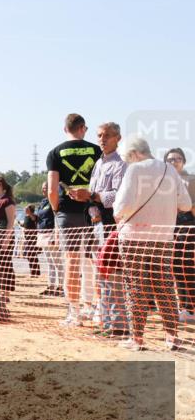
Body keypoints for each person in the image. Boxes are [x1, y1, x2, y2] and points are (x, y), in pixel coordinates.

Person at [114, 137, 192, 350]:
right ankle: (172, 336)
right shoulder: (170, 170)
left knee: (135, 287)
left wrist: (118, 214)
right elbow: (186, 205)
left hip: (134, 237)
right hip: (164, 238)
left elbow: (122, 206)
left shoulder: (135, 170)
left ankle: (137, 339)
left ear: (134, 154)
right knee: (165, 286)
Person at [47, 113, 102, 327]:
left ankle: (74, 313)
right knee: (94, 259)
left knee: (71, 261)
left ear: (65, 129)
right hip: (91, 208)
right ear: (83, 128)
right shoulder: (95, 150)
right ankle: (96, 308)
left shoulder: (55, 152)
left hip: (67, 212)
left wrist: (55, 209)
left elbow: (52, 189)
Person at [87, 122, 128, 336]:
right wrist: (89, 202)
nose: (102, 139)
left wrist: (93, 196)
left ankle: (120, 325)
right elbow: (94, 192)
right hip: (97, 225)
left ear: (118, 138)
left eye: (107, 135)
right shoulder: (98, 164)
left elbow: (117, 197)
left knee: (114, 275)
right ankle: (105, 322)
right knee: (100, 274)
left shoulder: (121, 165)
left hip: (114, 225)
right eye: (99, 135)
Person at [165, 148, 195, 322]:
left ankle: (191, 309)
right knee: (176, 270)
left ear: (183, 161)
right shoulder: (164, 181)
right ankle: (184, 307)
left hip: (189, 229)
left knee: (189, 269)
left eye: (177, 159)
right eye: (169, 160)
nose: (173, 162)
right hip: (170, 229)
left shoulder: (190, 180)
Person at [36, 181, 64, 297]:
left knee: (57, 262)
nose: (43, 190)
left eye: (46, 188)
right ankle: (51, 286)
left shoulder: (55, 201)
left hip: (52, 233)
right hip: (42, 234)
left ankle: (61, 287)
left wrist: (56, 235)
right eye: (43, 188)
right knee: (49, 262)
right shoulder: (43, 202)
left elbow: (57, 218)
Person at [19, 204, 42, 277]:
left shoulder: (33, 216)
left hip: (33, 238)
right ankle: (33, 272)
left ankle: (35, 273)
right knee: (30, 256)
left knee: (32, 255)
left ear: (30, 210)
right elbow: (27, 225)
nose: (25, 210)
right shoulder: (26, 216)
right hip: (27, 239)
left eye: (26, 209)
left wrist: (30, 213)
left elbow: (34, 220)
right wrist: (21, 224)